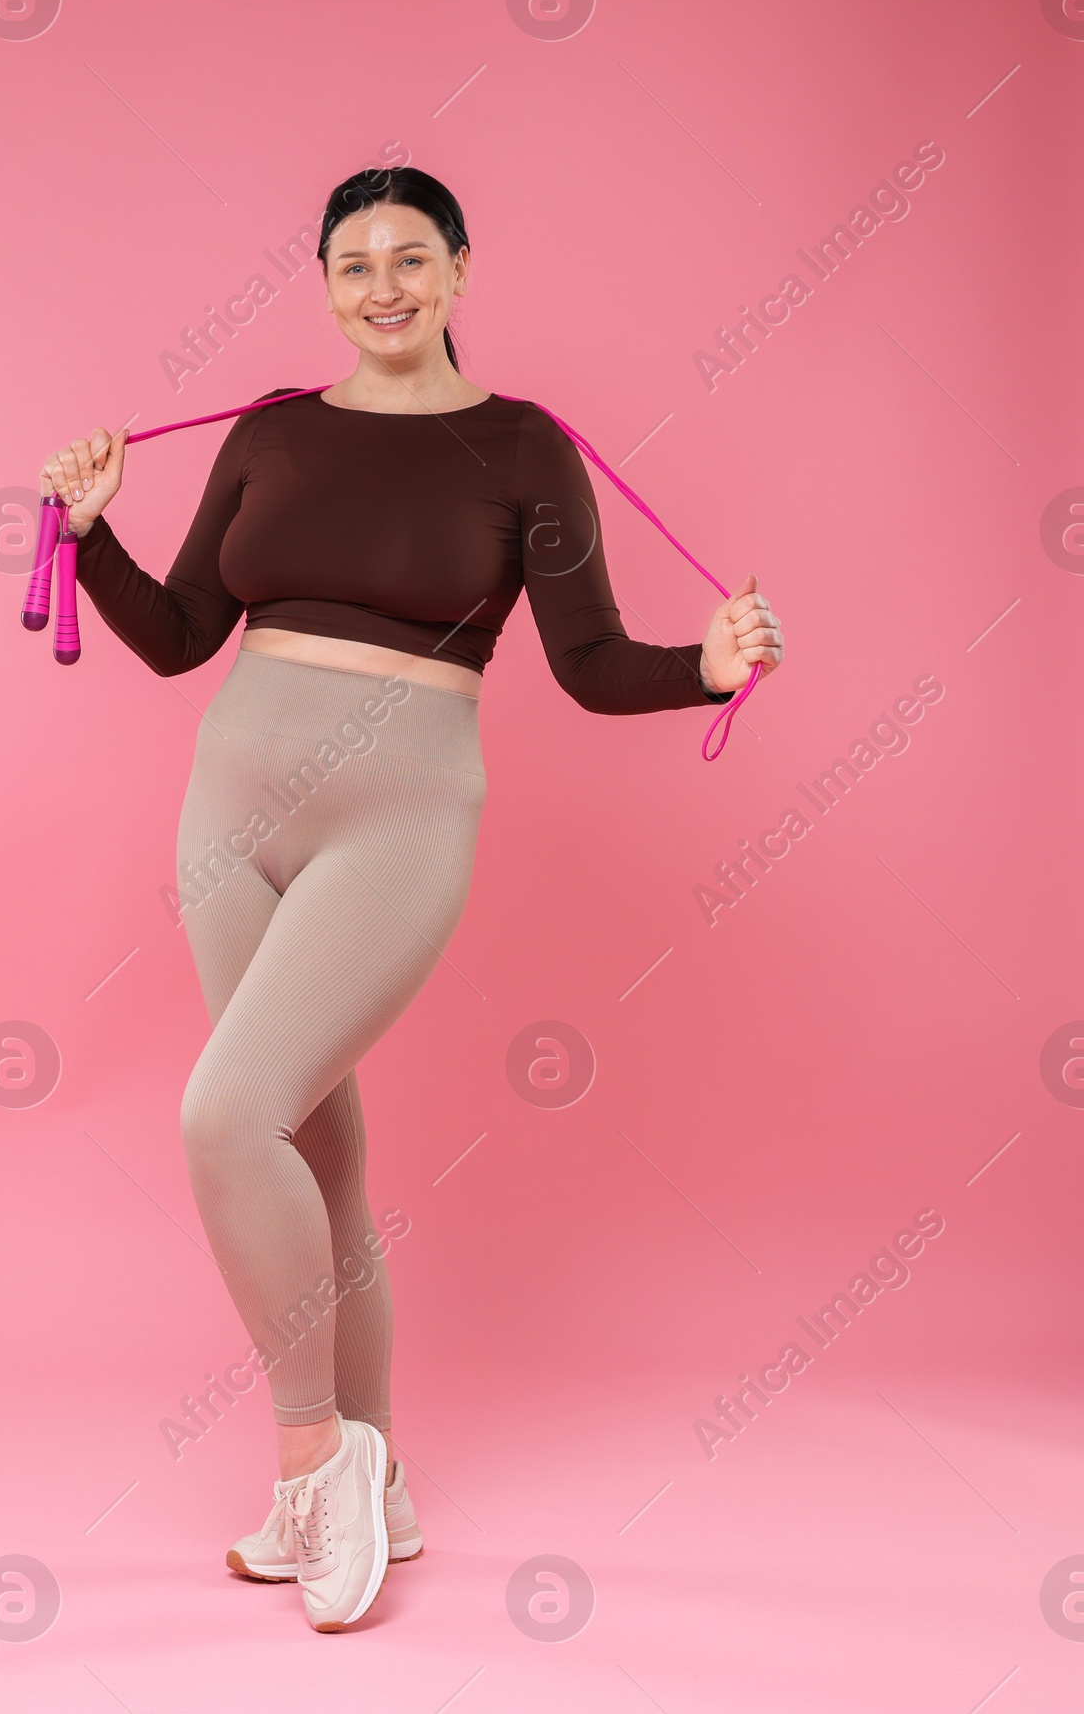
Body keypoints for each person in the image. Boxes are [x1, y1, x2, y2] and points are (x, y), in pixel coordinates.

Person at [40, 166, 784, 1632]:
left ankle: (316, 1458)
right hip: (226, 812)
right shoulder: (267, 433)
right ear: (322, 279)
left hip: (403, 813)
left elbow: (584, 661)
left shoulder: (522, 450)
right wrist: (92, 535)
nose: (381, 286)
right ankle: (380, 1483)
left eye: (411, 259)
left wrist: (700, 667)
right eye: (351, 263)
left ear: (458, 272)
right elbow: (187, 637)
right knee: (316, 1152)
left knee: (220, 1112)